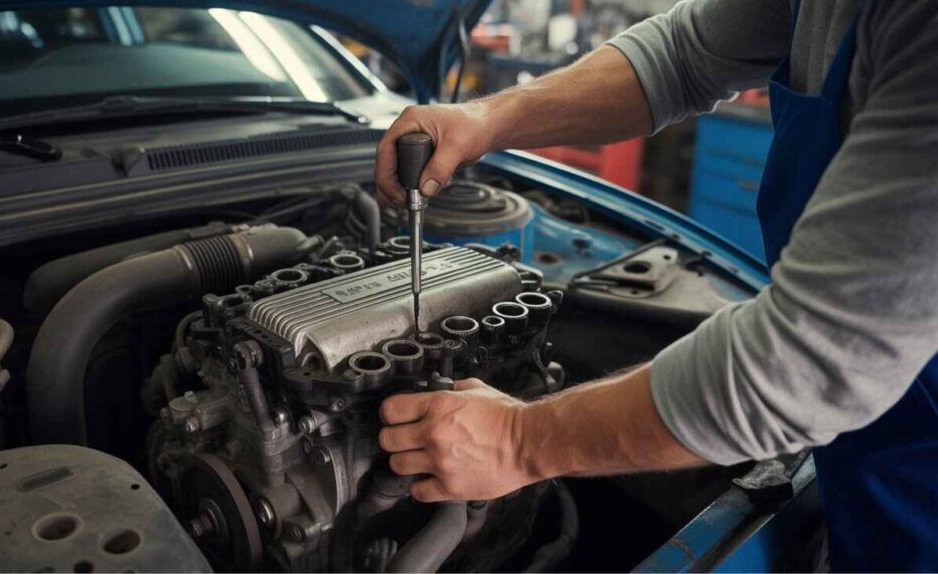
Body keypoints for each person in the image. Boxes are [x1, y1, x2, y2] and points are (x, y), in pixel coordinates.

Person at [373, 0, 938, 570]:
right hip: (863, 453)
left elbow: (807, 361)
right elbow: (682, 56)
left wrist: (519, 441)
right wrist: (486, 120)